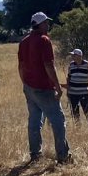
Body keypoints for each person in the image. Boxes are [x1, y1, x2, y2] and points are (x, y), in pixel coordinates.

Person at [17, 12, 72, 163]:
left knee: (34, 121)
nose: (48, 25)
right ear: (39, 24)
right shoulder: (44, 40)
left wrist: (26, 84)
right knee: (58, 121)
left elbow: (21, 66)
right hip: (44, 88)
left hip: (29, 87)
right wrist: (57, 86)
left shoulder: (24, 41)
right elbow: (49, 65)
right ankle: (63, 156)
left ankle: (35, 155)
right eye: (46, 23)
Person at [64, 48, 88, 123]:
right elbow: (69, 77)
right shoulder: (71, 65)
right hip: (73, 93)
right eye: (72, 55)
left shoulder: (86, 64)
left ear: (79, 56)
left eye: (74, 55)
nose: (72, 57)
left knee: (87, 111)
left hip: (83, 93)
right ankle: (78, 129)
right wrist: (68, 91)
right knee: (75, 112)